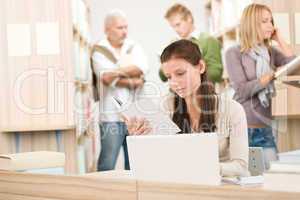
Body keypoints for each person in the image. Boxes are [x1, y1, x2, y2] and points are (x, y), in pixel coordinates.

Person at [124, 39, 249, 177]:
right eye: (169, 77)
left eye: (180, 73)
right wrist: (139, 140)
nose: (174, 83)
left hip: (218, 189)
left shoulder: (232, 109)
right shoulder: (165, 107)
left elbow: (241, 168)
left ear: (201, 67)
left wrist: (204, 167)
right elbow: (154, 162)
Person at [225, 4, 296, 169]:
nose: (271, 25)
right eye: (265, 21)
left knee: (274, 177)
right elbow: (242, 90)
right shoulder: (234, 53)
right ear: (251, 23)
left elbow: (294, 65)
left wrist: (280, 40)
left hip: (265, 128)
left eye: (271, 21)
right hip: (244, 131)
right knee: (254, 180)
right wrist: (271, 75)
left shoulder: (270, 52)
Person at [92, 9, 148, 171]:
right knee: (107, 163)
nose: (124, 31)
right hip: (111, 117)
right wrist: (132, 75)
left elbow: (143, 68)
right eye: (119, 28)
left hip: (134, 115)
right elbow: (106, 78)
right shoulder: (99, 50)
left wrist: (116, 73)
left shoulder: (133, 46)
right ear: (107, 29)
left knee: (135, 164)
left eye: (125, 27)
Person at [159, 3, 223, 83]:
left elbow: (216, 74)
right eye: (173, 27)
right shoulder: (173, 44)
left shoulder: (208, 40)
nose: (176, 30)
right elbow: (163, 77)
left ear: (189, 18)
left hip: (202, 92)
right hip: (177, 93)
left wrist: (188, 75)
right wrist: (164, 62)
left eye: (178, 24)